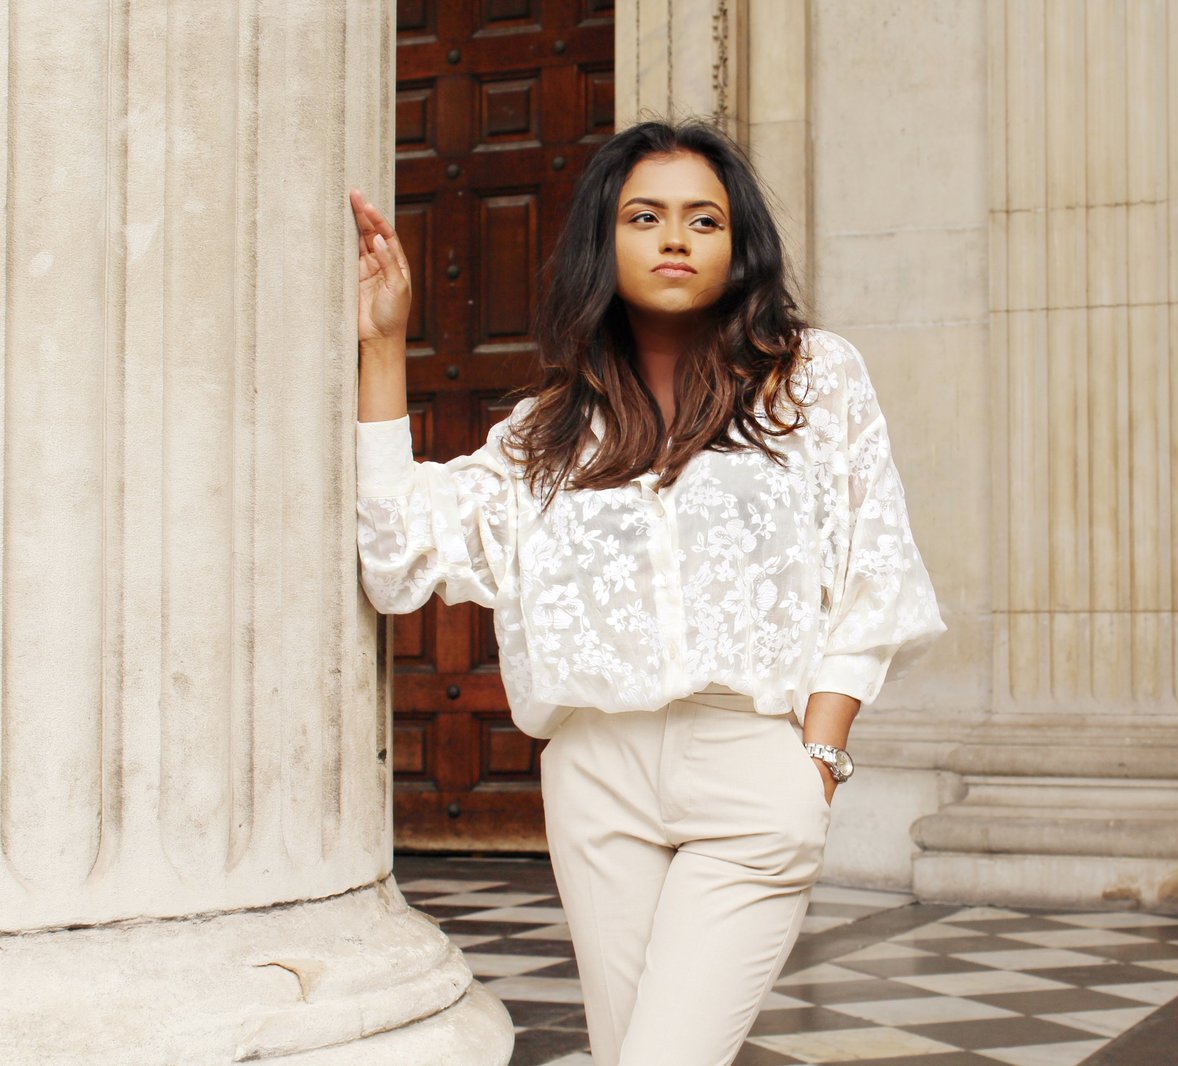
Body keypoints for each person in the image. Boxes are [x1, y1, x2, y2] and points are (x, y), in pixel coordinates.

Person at [349, 119, 946, 1066]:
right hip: (595, 782)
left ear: (736, 245)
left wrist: (819, 758)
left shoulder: (813, 383)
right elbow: (396, 560)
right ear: (606, 239)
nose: (676, 238)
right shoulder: (545, 432)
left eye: (704, 220)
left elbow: (874, 573)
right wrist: (384, 346)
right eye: (646, 216)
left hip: (753, 770)